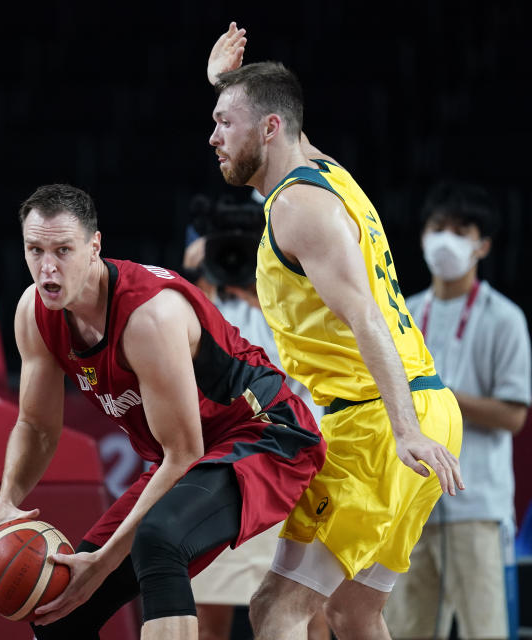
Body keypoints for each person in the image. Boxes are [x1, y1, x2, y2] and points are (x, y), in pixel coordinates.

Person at [0, 184, 326, 640]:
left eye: (63, 250)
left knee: (158, 540)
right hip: (192, 455)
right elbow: (37, 427)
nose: (47, 267)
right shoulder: (34, 313)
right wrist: (5, 503)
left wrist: (101, 563)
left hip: (268, 435)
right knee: (61, 610)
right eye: (35, 250)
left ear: (95, 246)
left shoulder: (148, 316)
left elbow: (183, 453)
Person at [206, 23, 465, 639]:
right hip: (425, 407)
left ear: (269, 129)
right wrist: (226, 85)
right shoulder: (328, 175)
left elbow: (365, 320)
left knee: (275, 608)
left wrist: (402, 431)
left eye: (223, 122)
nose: (212, 137)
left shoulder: (298, 209)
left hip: (379, 423)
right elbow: (278, 111)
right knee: (355, 611)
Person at [383, 183, 530, 640]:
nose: (446, 238)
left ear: (482, 244)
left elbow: (513, 416)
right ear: (423, 237)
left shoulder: (504, 318)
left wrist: (438, 395)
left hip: (476, 505)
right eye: (437, 228)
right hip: (411, 503)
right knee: (405, 629)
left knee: (484, 630)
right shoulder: (403, 314)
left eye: (461, 230)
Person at [182, 194, 328, 640]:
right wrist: (201, 277)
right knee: (208, 620)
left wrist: (262, 291)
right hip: (225, 468)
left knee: (306, 614)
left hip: (299, 464)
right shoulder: (199, 302)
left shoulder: (305, 290)